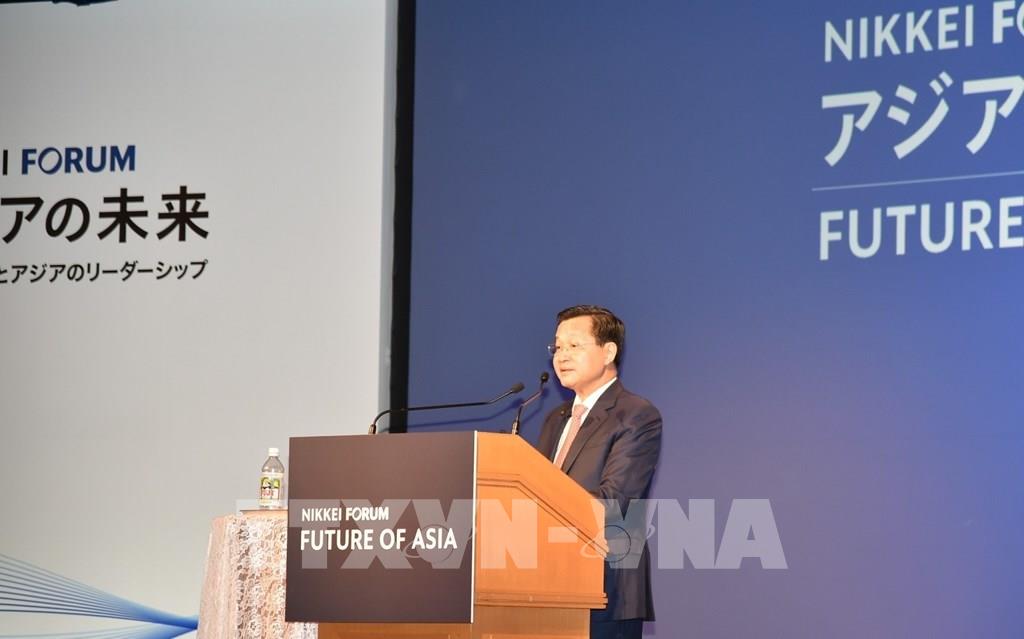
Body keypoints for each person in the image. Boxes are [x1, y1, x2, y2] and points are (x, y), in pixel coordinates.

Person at [536, 305, 662, 639]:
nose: (561, 356)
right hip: (548, 581)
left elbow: (615, 501)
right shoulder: (555, 419)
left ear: (608, 352)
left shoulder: (636, 414)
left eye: (574, 345)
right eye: (557, 347)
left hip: (607, 584)